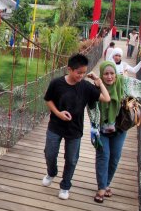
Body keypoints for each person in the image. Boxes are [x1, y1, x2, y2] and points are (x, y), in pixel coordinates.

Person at [42, 53, 110, 200]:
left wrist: (98, 81)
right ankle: (51, 172)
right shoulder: (56, 83)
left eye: (84, 72)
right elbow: (48, 100)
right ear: (69, 69)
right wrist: (58, 113)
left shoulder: (85, 87)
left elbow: (106, 98)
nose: (81, 75)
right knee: (49, 153)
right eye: (79, 72)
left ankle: (65, 186)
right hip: (55, 125)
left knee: (71, 159)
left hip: (75, 129)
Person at [88, 61, 141, 203]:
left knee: (115, 158)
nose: (109, 77)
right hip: (101, 129)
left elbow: (136, 84)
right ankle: (101, 188)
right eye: (106, 74)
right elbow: (89, 104)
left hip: (120, 127)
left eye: (112, 73)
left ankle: (107, 183)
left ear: (116, 73)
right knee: (104, 156)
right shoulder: (96, 87)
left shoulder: (122, 82)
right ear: (101, 74)